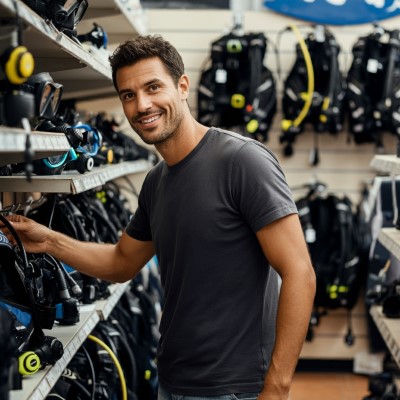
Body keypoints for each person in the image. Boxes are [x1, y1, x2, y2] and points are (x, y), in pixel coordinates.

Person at [1, 35, 316, 400]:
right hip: (174, 380)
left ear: (183, 86)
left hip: (235, 389)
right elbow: (121, 262)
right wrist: (48, 240)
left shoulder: (243, 162)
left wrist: (277, 388)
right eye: (128, 95)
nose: (142, 105)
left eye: (153, 87)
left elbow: (299, 273)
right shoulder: (157, 181)